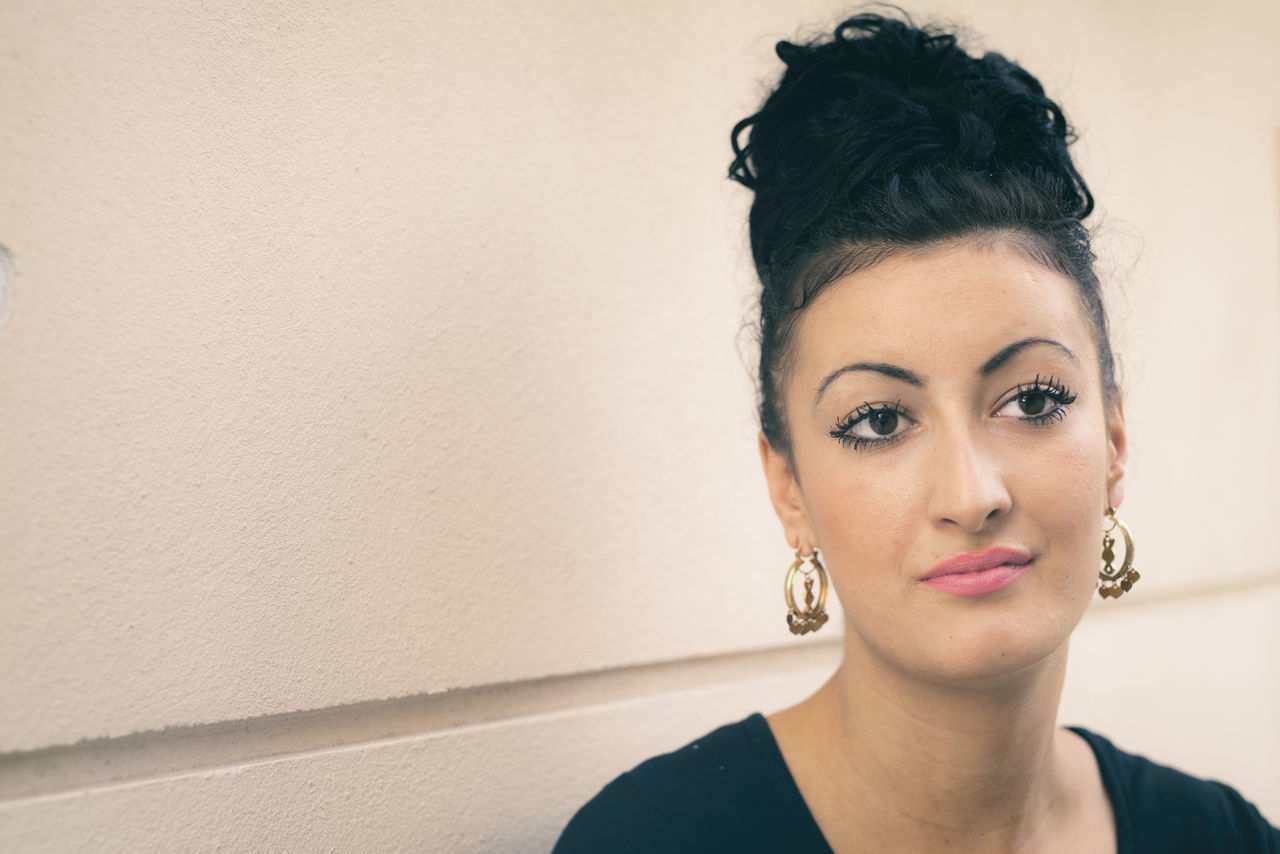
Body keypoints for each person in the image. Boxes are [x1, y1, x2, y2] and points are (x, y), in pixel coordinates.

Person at [552, 12, 1280, 853]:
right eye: (879, 420)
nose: (973, 496)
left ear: (1114, 439)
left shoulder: (1224, 839)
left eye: (1034, 401)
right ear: (786, 486)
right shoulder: (655, 841)